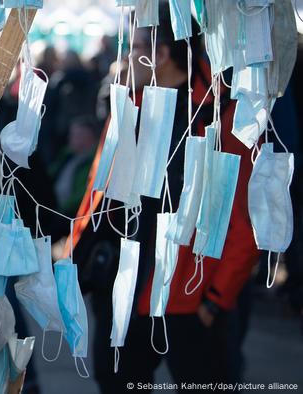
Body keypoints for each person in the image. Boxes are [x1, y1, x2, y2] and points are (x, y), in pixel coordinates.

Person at [73, 7, 259, 393]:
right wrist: (80, 261)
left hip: (189, 301)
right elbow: (98, 192)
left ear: (159, 54)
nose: (124, 59)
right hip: (124, 294)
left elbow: (245, 216)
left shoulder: (222, 113)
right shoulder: (130, 104)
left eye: (133, 48)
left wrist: (216, 299)